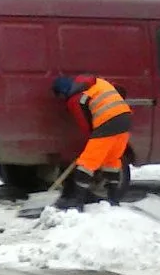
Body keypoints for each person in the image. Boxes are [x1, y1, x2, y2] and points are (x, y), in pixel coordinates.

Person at [47, 74, 132, 211]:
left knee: (86, 164)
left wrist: (93, 139)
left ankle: (78, 202)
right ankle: (114, 200)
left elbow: (85, 124)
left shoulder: (75, 99)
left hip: (107, 122)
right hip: (125, 118)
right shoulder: (97, 81)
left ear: (63, 92)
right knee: (111, 161)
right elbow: (119, 89)